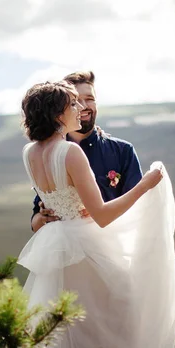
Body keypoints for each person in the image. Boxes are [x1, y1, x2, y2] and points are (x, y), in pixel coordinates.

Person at [17, 80, 175, 348]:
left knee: (66, 329)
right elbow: (102, 216)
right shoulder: (70, 152)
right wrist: (145, 185)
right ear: (56, 114)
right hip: (88, 248)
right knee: (116, 321)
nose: (80, 108)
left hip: (57, 249)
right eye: (72, 104)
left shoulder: (30, 153)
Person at [30, 71, 143, 232]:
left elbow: (139, 210)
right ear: (60, 108)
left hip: (113, 245)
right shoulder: (50, 155)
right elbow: (35, 222)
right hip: (66, 248)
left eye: (90, 99)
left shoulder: (123, 151)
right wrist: (43, 217)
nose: (83, 106)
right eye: (75, 101)